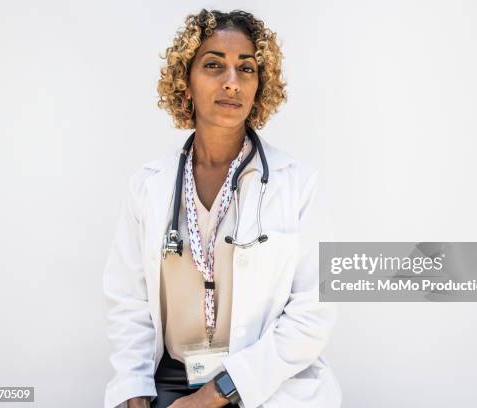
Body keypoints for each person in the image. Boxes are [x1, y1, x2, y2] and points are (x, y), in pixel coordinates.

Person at [103, 9, 342, 408]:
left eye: (245, 69)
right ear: (186, 82)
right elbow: (128, 300)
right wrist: (134, 389)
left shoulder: (297, 184)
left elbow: (313, 316)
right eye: (214, 65)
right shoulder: (150, 185)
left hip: (266, 383)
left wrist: (218, 394)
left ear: (259, 86)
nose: (231, 82)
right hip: (172, 380)